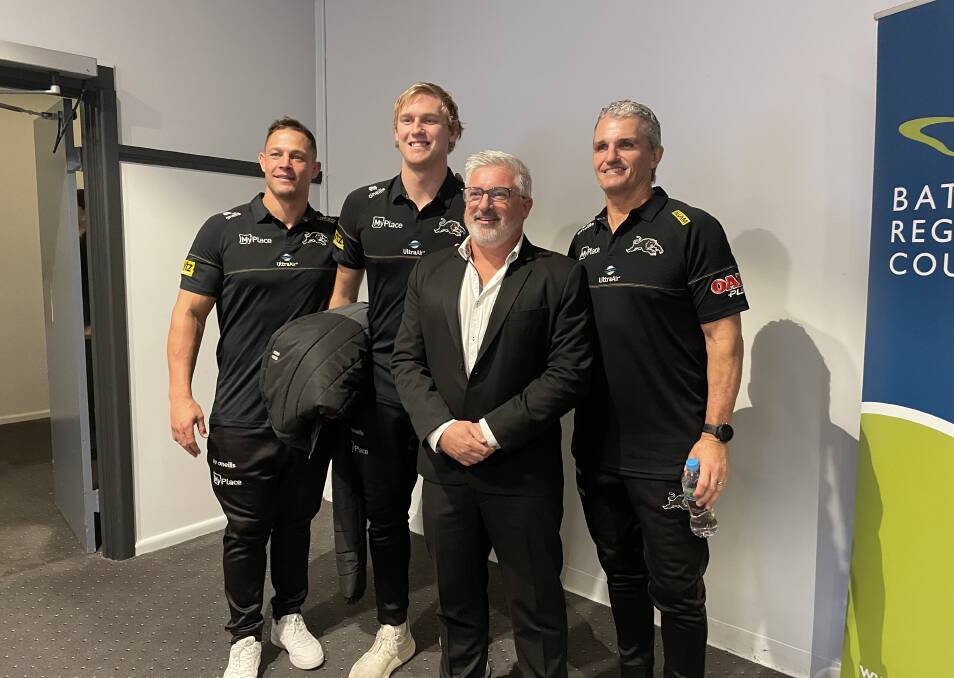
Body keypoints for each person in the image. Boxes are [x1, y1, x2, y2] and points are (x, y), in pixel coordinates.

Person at [392, 150, 593, 678]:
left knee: (537, 607)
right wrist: (440, 430)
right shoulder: (429, 271)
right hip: (445, 471)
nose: (485, 205)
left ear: (524, 204)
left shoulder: (559, 274)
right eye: (476, 194)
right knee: (456, 607)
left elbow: (569, 373)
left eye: (499, 194)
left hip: (521, 472)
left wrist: (488, 432)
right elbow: (406, 361)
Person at [567, 100, 748, 678]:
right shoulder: (584, 242)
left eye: (625, 145)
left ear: (655, 155)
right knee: (620, 573)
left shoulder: (694, 229)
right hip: (598, 449)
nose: (611, 156)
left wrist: (715, 434)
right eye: (601, 146)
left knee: (677, 588)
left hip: (672, 453)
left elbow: (724, 336)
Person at [167, 118, 337, 678]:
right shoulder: (223, 230)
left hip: (307, 413)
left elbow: (348, 312)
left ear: (315, 169)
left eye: (299, 156)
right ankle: (244, 633)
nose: (287, 163)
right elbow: (189, 314)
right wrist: (179, 395)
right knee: (245, 529)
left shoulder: (332, 236)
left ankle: (288, 616)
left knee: (296, 520)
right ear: (262, 163)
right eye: (277, 154)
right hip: (240, 412)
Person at [329, 82, 467, 678]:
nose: (418, 129)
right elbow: (342, 295)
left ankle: (467, 634)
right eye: (408, 120)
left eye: (432, 120)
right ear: (395, 132)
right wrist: (333, 375)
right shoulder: (362, 205)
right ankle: (394, 629)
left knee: (450, 521)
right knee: (383, 515)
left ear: (452, 132)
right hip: (382, 387)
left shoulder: (476, 200)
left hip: (455, 391)